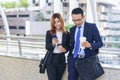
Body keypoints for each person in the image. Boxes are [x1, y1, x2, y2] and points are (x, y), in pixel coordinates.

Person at [67, 7, 104, 80]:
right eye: (74, 20)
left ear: (83, 17)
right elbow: (72, 45)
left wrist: (90, 45)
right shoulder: (72, 29)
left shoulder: (92, 27)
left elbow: (100, 43)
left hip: (86, 60)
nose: (76, 22)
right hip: (73, 59)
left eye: (78, 20)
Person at [45, 13, 70, 80]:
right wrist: (53, 44)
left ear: (61, 21)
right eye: (54, 22)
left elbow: (68, 47)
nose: (57, 24)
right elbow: (47, 47)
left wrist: (64, 50)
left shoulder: (66, 34)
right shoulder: (49, 33)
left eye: (58, 21)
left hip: (61, 60)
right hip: (51, 60)